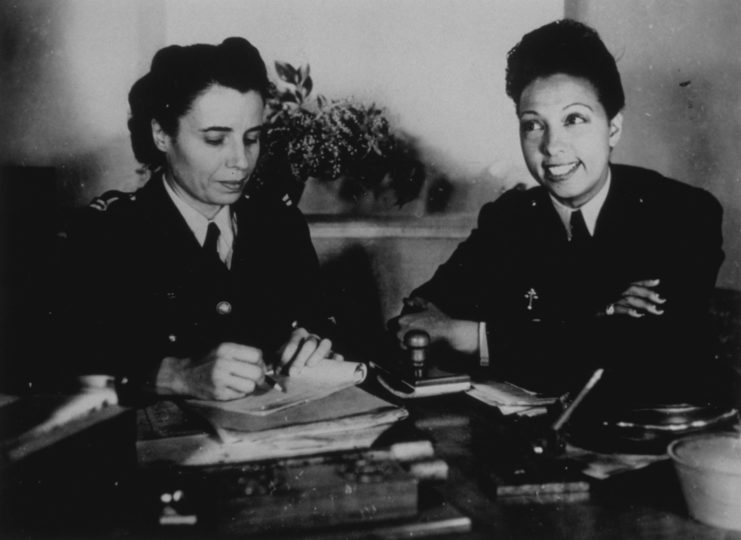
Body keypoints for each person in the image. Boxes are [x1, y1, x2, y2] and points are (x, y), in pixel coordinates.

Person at [393, 19, 726, 405]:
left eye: (574, 119)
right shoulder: (510, 219)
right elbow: (423, 314)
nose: (552, 146)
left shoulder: (682, 213)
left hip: (650, 441)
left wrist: (473, 336)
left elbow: (644, 357)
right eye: (533, 125)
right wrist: (600, 317)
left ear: (613, 128)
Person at [55, 37, 335, 402]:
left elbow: (320, 321)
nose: (241, 161)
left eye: (252, 139)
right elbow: (50, 368)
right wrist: (169, 376)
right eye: (216, 139)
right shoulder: (104, 235)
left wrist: (313, 343)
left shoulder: (280, 225)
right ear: (161, 134)